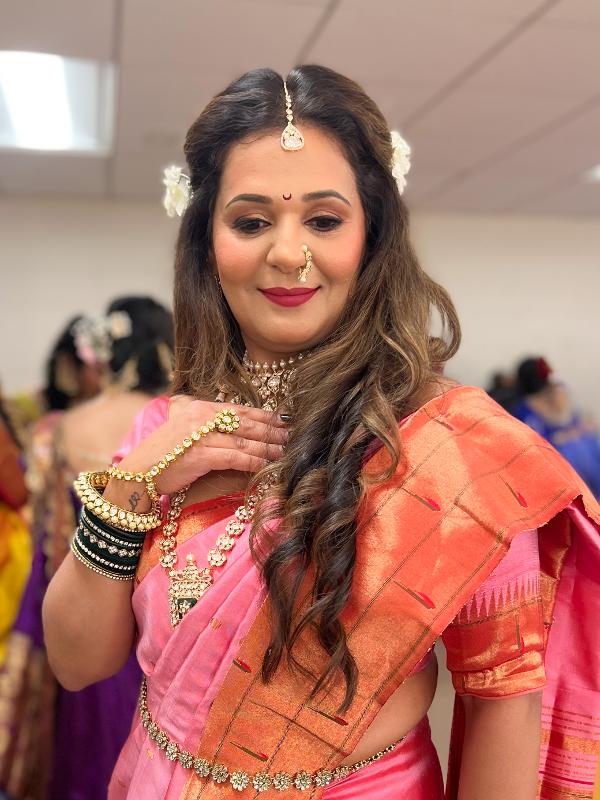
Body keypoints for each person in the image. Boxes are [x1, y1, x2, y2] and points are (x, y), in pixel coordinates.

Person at [42, 67, 599, 800]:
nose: (287, 253)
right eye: (251, 222)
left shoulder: (455, 451)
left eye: (325, 221)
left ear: (372, 236)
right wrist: (133, 483)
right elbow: (77, 663)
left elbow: (505, 706)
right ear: (207, 241)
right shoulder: (166, 430)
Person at [0, 298, 174, 800]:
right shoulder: (178, 426)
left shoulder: (61, 428)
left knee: (83, 732)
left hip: (81, 591)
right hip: (161, 605)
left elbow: (45, 522)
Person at [513, 357, 600, 499]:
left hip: (566, 456)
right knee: (577, 449)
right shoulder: (525, 412)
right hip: (553, 462)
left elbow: (577, 420)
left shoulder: (554, 395)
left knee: (585, 444)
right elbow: (540, 445)